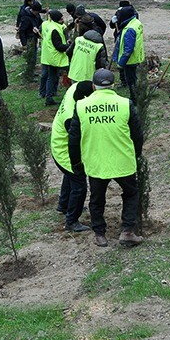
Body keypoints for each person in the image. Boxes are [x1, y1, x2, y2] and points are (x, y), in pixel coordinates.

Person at [67, 68, 145, 248]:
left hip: (96, 161)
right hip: (122, 160)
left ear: (94, 86)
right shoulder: (125, 103)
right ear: (113, 85)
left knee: (97, 198)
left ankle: (100, 234)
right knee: (131, 193)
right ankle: (127, 231)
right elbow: (137, 134)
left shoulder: (81, 106)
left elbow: (74, 138)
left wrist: (76, 162)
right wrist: (136, 154)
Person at [51, 80, 93, 233]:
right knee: (79, 184)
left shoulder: (75, 87)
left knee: (70, 176)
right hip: (63, 150)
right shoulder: (70, 117)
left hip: (56, 140)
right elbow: (76, 142)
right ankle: (72, 221)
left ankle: (63, 205)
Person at [112, 3, 144, 101]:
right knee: (133, 78)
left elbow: (128, 49)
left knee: (130, 80)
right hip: (136, 55)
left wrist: (121, 63)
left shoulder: (129, 29)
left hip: (130, 60)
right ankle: (137, 94)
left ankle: (134, 98)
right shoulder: (136, 23)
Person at [37, 9, 69, 106]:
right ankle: (50, 97)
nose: (63, 20)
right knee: (55, 76)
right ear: (57, 20)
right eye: (61, 19)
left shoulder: (46, 24)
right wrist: (70, 46)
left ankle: (48, 96)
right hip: (55, 57)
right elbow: (59, 46)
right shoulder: (55, 30)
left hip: (47, 55)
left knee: (50, 77)